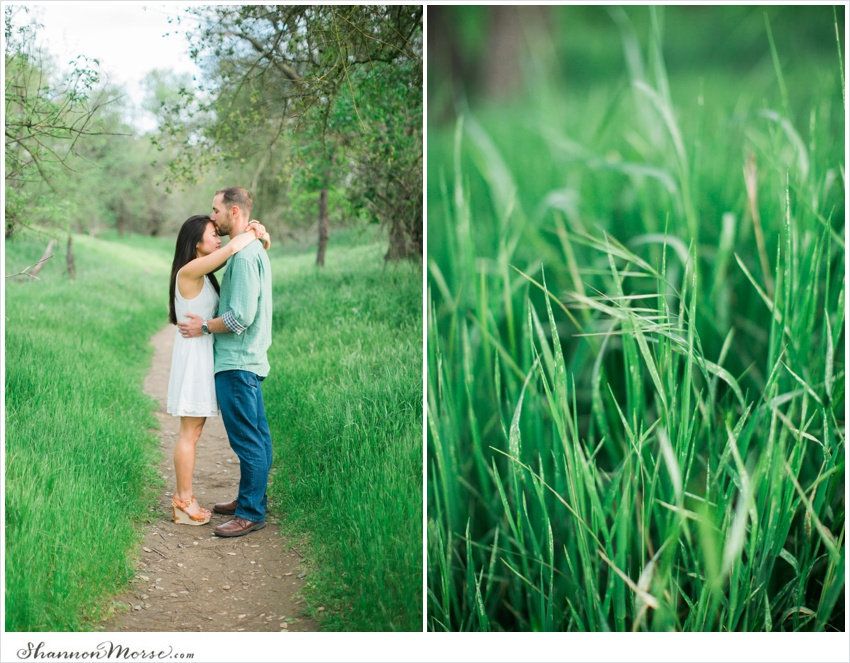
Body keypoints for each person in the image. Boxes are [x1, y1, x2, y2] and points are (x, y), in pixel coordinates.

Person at [178, 187, 274, 538]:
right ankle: (250, 499)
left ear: (234, 211)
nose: (213, 217)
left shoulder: (245, 256)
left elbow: (240, 317)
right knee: (257, 438)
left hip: (238, 361)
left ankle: (251, 512)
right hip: (245, 360)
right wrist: (259, 234)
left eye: (216, 210)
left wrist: (203, 326)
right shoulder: (250, 249)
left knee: (248, 440)